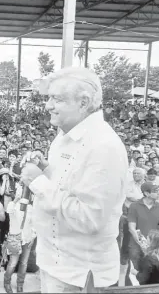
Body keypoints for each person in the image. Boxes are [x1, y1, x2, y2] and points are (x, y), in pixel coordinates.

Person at [20, 67, 128, 292]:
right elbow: (67, 186)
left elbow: (89, 217)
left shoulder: (103, 146)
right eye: (49, 98)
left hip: (79, 276)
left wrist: (38, 183)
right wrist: (46, 169)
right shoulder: (63, 136)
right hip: (54, 264)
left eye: (56, 99)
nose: (48, 106)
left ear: (83, 102)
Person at [3, 184, 37, 294]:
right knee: (13, 263)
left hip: (27, 239)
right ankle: (7, 282)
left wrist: (33, 236)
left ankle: (20, 284)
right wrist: (16, 199)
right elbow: (8, 210)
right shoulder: (14, 206)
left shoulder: (31, 208)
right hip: (15, 239)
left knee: (24, 263)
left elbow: (34, 224)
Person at [127, 182, 159, 271]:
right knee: (138, 271)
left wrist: (156, 244)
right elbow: (132, 228)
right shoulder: (134, 206)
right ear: (147, 193)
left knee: (153, 272)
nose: (158, 193)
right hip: (136, 245)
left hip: (154, 246)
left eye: (158, 190)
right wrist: (143, 244)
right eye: (155, 191)